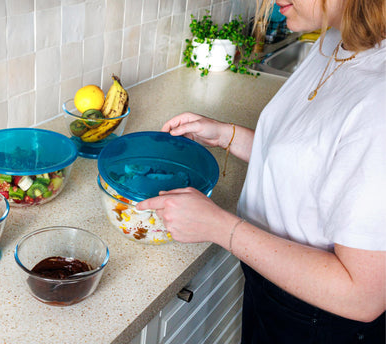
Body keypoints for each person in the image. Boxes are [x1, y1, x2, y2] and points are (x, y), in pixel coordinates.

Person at [136, 0, 386, 342]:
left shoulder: (379, 97)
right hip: (273, 283)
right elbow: (317, 168)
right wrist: (228, 135)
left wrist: (218, 226)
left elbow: (362, 295)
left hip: (321, 320)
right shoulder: (334, 40)